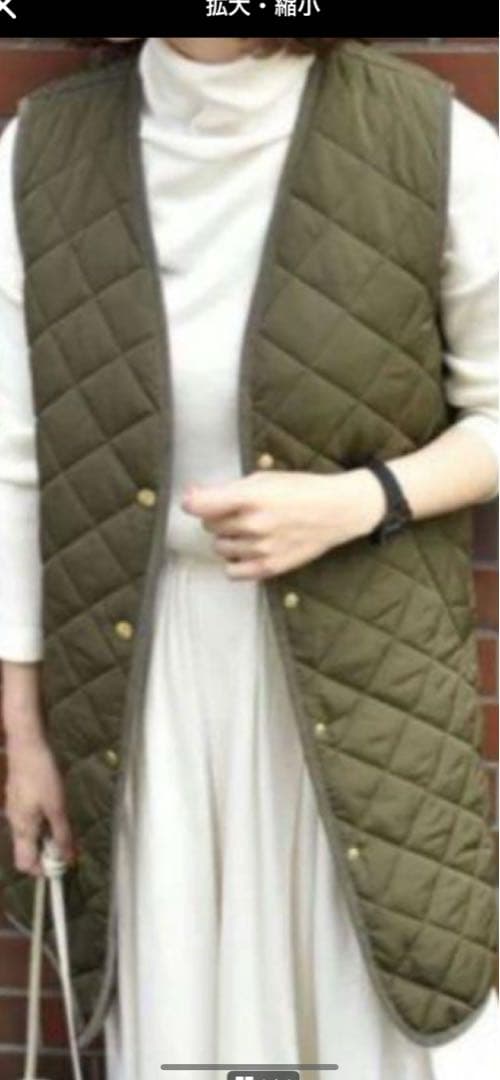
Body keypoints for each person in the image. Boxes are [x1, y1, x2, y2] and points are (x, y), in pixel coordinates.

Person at [0, 35, 498, 1080]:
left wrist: (359, 501)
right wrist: (25, 733)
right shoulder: (36, 155)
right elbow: (13, 466)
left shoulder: (433, 142)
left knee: (366, 1008)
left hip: (363, 671)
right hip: (140, 684)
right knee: (185, 1013)